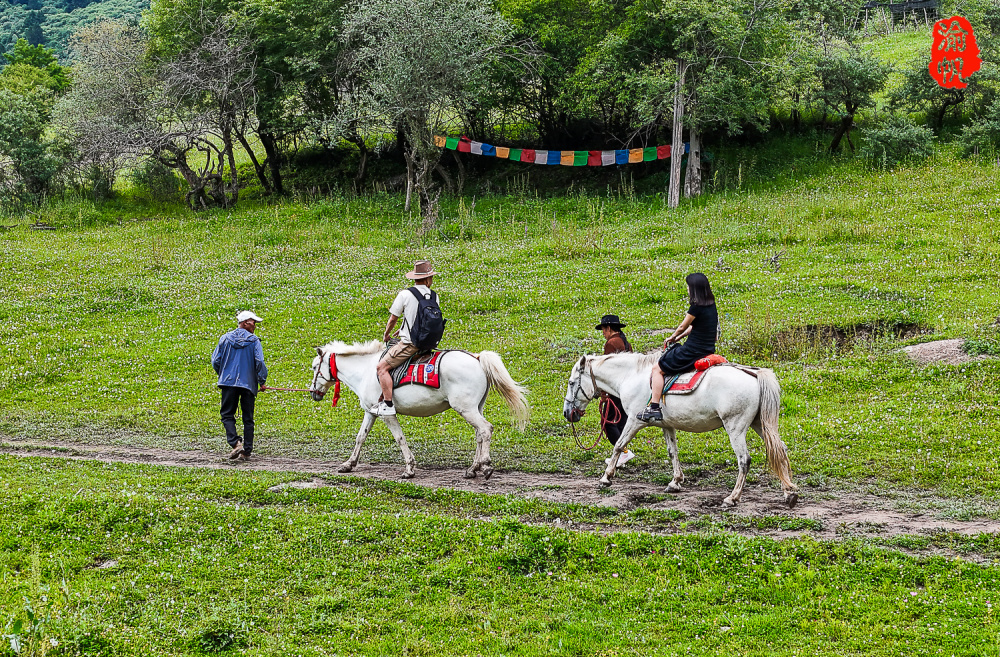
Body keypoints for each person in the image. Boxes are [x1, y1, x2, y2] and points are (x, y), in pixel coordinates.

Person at [637, 273, 719, 422]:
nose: (687, 289)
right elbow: (694, 327)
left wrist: (673, 335)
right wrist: (677, 338)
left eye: (688, 286)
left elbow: (683, 326)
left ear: (694, 289)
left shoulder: (696, 307)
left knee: (657, 369)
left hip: (692, 351)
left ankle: (654, 407)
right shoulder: (711, 305)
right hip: (707, 350)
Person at [375, 260, 440, 417]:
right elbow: (426, 319)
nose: (432, 280)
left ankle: (388, 404)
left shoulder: (405, 294)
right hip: (429, 342)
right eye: (431, 277)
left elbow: (393, 318)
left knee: (381, 368)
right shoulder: (434, 296)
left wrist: (386, 334)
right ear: (427, 279)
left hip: (410, 344)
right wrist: (404, 328)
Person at [211, 310, 268, 461]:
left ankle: (235, 443)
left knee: (227, 415)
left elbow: (215, 361)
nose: (255, 325)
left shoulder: (224, 339)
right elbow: (260, 362)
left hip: (228, 383)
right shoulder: (254, 341)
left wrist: (224, 374)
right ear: (245, 323)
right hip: (248, 384)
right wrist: (262, 380)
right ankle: (246, 451)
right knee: (248, 418)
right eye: (253, 322)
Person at [596, 314, 635, 467]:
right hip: (626, 390)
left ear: (609, 328)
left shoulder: (611, 344)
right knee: (621, 423)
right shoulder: (626, 343)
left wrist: (604, 394)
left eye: (603, 330)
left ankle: (624, 452)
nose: (603, 333)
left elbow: (607, 372)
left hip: (614, 390)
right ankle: (621, 456)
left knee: (607, 422)